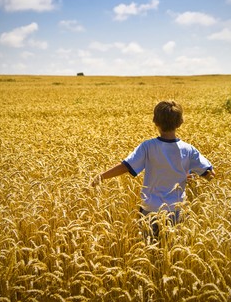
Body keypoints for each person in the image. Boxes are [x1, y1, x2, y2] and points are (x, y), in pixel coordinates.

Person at [92, 100, 215, 239]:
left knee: (148, 246)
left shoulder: (148, 146)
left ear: (155, 121)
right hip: (176, 209)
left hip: (150, 208)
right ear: (180, 122)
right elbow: (209, 174)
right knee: (171, 248)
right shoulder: (188, 149)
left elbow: (125, 166)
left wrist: (101, 176)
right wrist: (187, 174)